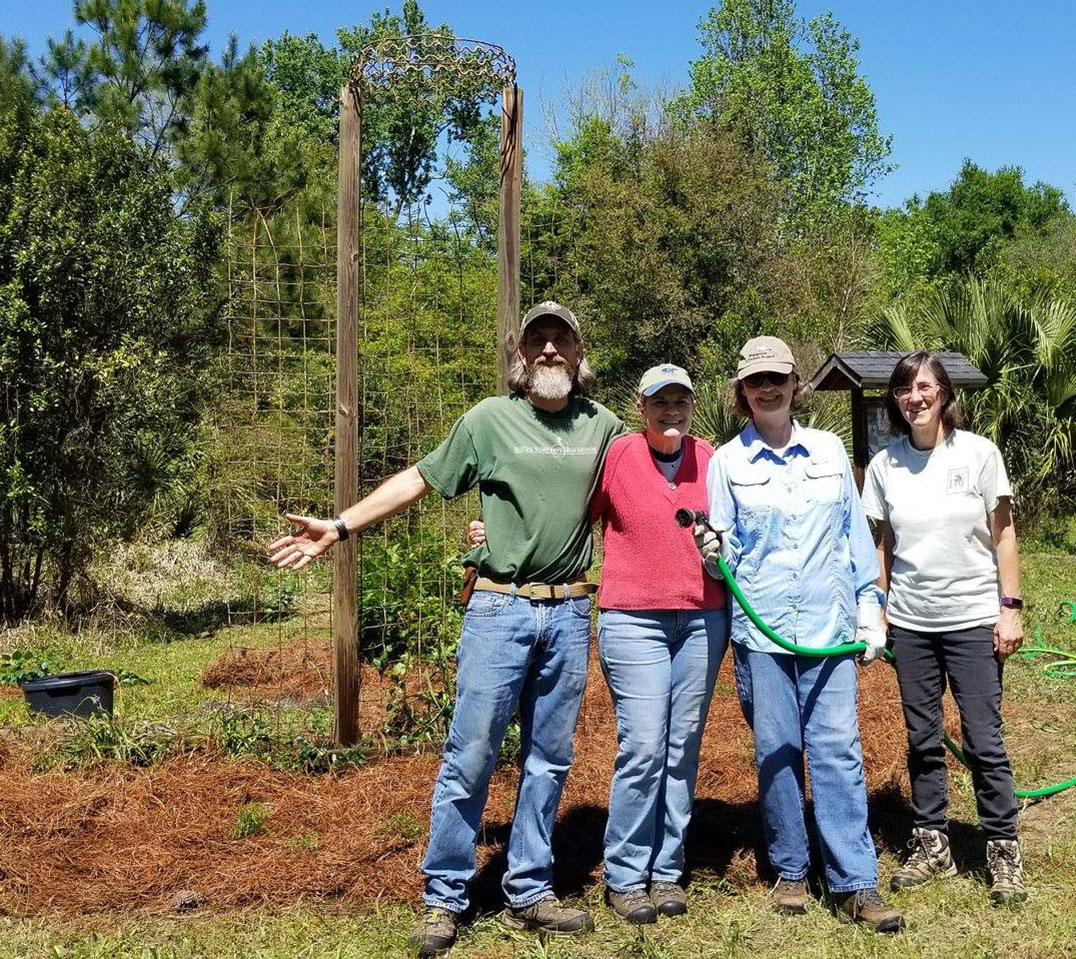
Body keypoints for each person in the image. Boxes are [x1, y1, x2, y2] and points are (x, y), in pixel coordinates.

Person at [268, 302, 623, 956]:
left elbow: (650, 484)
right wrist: (339, 527)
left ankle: (530, 889)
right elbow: (420, 479)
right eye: (537, 340)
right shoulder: (488, 420)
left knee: (548, 760)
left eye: (561, 339)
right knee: (471, 755)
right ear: (522, 357)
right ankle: (444, 896)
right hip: (499, 608)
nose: (549, 350)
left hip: (570, 611)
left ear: (579, 352)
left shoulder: (604, 428)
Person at [469, 363, 728, 925]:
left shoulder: (713, 461)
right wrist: (496, 529)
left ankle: (667, 868)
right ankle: (627, 874)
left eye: (681, 401)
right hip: (634, 619)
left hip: (702, 618)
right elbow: (560, 513)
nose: (671, 411)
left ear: (692, 406)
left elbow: (740, 529)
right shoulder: (617, 456)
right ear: (641, 408)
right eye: (660, 401)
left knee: (682, 745)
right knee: (643, 747)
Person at [696, 336, 905, 933]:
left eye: (778, 378)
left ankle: (854, 881)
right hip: (761, 633)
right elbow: (723, 558)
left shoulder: (830, 450)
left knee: (837, 750)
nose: (768, 388)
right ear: (742, 392)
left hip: (828, 628)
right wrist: (710, 552)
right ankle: (790, 868)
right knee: (777, 751)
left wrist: (872, 609)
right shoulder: (727, 463)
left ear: (795, 384)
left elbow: (852, 536)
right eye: (756, 381)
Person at [861, 351, 1027, 906]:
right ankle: (932, 842)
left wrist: (1010, 607)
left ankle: (1002, 845)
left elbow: (1004, 536)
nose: (916, 397)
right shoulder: (884, 465)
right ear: (896, 401)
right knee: (922, 739)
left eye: (925, 387)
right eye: (905, 389)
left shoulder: (979, 454)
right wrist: (878, 612)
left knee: (983, 738)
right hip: (912, 624)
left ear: (945, 394)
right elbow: (881, 546)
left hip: (974, 620)